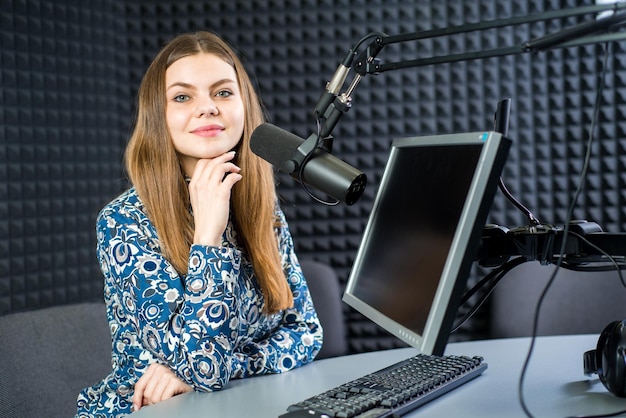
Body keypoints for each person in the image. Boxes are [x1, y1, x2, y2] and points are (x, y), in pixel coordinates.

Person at [76, 31, 323, 417]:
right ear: (158, 115)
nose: (207, 108)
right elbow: (199, 368)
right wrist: (207, 237)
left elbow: (306, 333)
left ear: (245, 107)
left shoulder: (262, 208)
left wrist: (230, 365)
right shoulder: (123, 222)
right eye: (182, 96)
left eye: (223, 93)